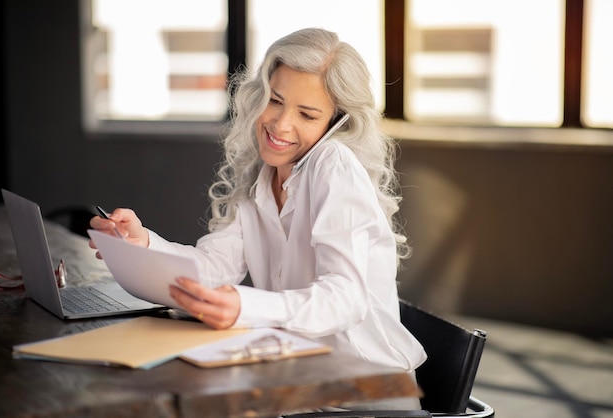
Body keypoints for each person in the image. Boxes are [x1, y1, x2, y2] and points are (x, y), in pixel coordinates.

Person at [89, 27, 427, 411]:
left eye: (307, 114)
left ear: (337, 123)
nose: (281, 124)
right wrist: (142, 245)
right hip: (300, 381)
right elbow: (214, 267)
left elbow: (346, 299)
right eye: (275, 100)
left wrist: (245, 307)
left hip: (362, 396)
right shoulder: (263, 174)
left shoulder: (334, 164)